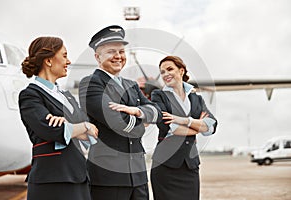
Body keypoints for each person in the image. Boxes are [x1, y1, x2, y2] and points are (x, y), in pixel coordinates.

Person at [79, 25, 162, 200]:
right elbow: (116, 121)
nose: (118, 56)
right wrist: (142, 122)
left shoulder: (131, 85)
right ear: (97, 57)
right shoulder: (90, 84)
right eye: (111, 51)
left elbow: (158, 113)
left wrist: (137, 111)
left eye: (121, 51)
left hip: (137, 175)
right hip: (108, 177)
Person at [19, 36, 98, 200]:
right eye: (64, 55)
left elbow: (92, 134)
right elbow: (53, 130)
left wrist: (72, 128)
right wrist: (81, 126)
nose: (68, 61)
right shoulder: (30, 95)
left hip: (79, 176)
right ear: (48, 61)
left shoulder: (67, 96)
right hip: (52, 180)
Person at [150, 56, 218, 200]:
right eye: (162, 72)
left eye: (169, 69)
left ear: (181, 71)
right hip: (165, 166)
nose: (165, 74)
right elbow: (169, 127)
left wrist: (185, 120)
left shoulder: (196, 99)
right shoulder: (159, 96)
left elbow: (211, 125)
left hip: (190, 166)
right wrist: (197, 127)